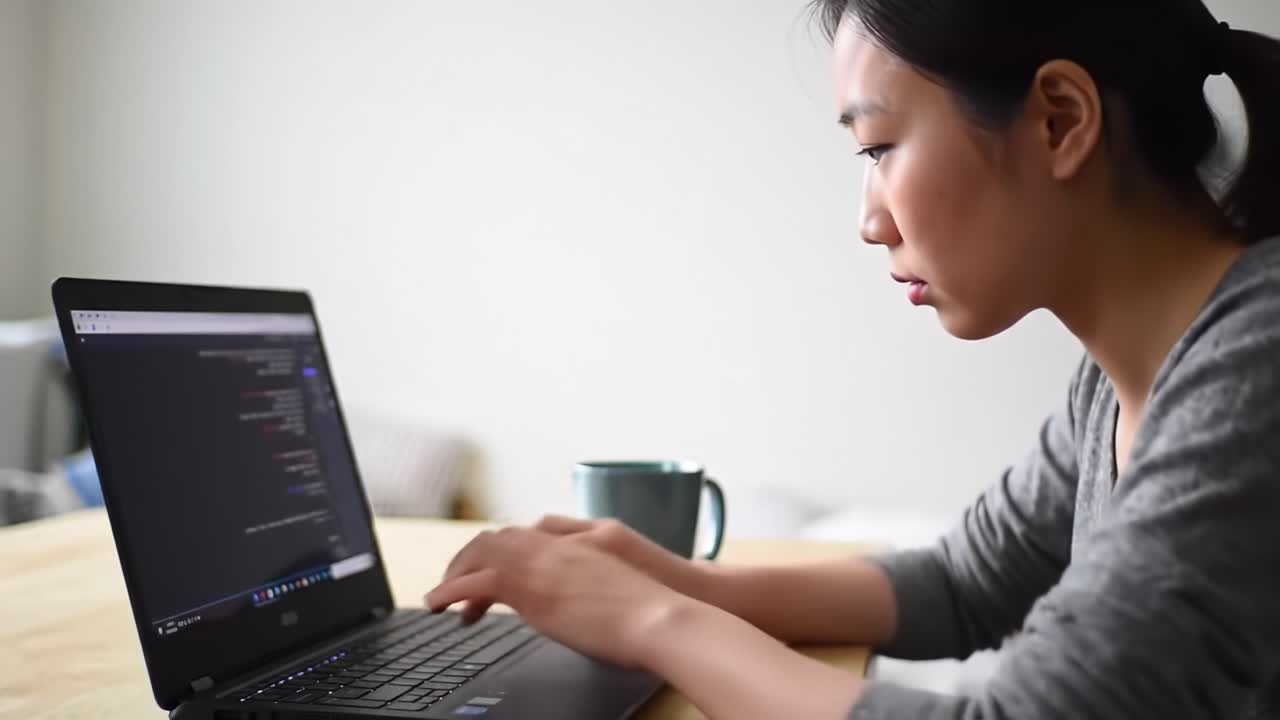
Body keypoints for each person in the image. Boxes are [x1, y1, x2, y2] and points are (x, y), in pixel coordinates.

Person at [426, 1, 1280, 717]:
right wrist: (684, 581)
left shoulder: (1256, 364)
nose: (870, 221)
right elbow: (961, 583)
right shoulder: (1124, 379)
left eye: (878, 150)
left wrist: (650, 620)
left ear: (1060, 119)